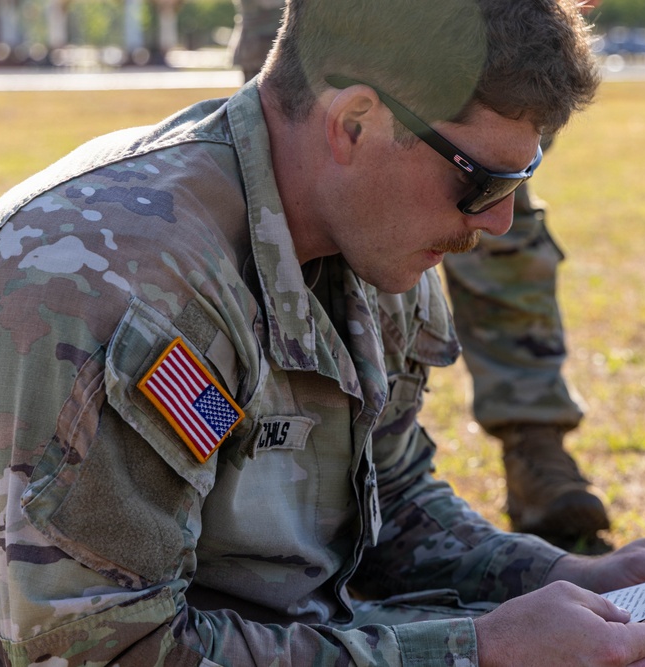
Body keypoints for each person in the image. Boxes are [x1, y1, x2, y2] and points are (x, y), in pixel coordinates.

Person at [0, 0, 645, 664]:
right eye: (483, 180)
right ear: (353, 124)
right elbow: (106, 650)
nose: (500, 220)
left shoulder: (375, 240)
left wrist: (567, 574)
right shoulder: (106, 278)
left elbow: (393, 505)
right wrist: (477, 649)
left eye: (522, 177)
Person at [230, 0, 610, 549]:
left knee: (467, 218)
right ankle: (267, 474)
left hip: (468, 32)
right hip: (343, 40)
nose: (492, 223)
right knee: (303, 215)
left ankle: (531, 441)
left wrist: (557, 576)